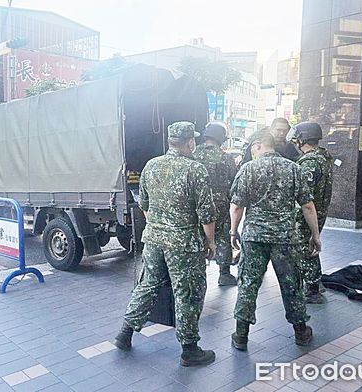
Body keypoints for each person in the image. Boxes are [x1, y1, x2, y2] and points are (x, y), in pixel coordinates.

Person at [114, 121, 218, 367]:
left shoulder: (151, 165)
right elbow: (206, 214)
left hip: (154, 239)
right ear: (190, 142)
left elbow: (144, 204)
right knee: (187, 293)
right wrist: (211, 242)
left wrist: (158, 227)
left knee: (147, 285)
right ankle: (190, 349)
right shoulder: (195, 170)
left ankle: (125, 333)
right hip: (183, 243)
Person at [228, 130, 321, 351]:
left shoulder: (248, 169)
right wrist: (315, 236)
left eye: (252, 147)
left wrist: (233, 232)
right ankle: (301, 332)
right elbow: (308, 206)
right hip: (285, 238)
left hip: (254, 237)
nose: (251, 152)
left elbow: (236, 207)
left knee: (248, 284)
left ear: (259, 145)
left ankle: (241, 335)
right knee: (291, 284)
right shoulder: (293, 168)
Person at [291, 122, 333, 304]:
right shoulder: (323, 157)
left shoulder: (309, 162)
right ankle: (315, 284)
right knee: (309, 247)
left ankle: (312, 289)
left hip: (307, 214)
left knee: (305, 249)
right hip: (318, 211)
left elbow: (304, 195)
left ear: (303, 139)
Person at [193, 121, 239, 286]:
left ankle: (197, 273)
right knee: (223, 237)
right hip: (220, 204)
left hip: (196, 205)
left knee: (197, 237)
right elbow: (234, 183)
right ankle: (224, 274)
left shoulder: (193, 155)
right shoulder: (226, 158)